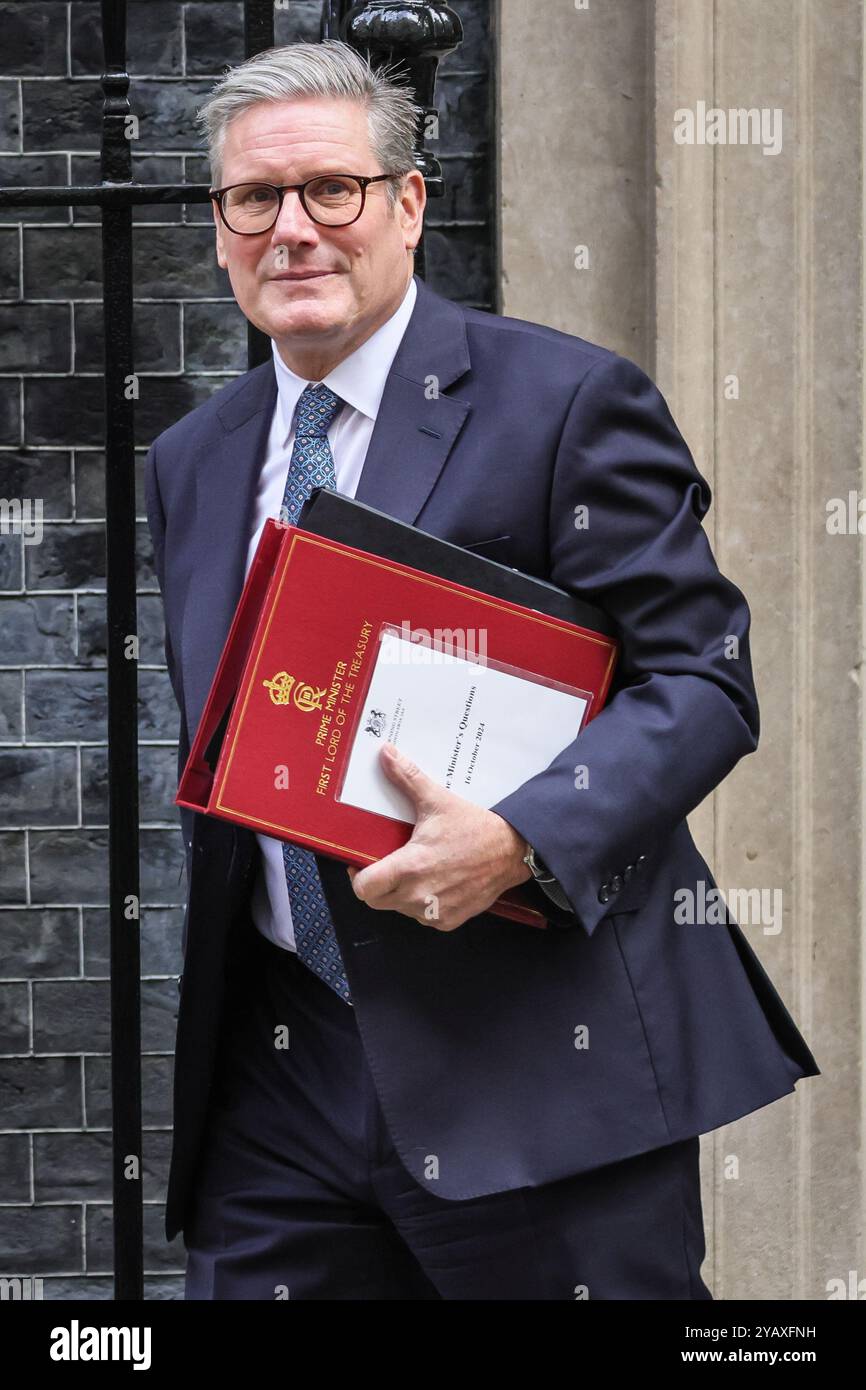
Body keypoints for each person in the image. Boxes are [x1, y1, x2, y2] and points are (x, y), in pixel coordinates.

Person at [144, 38, 819, 1300]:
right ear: (223, 225)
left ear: (408, 202)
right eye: (253, 199)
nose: (290, 229)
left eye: (330, 190)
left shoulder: (561, 400)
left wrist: (515, 834)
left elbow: (703, 680)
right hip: (280, 1079)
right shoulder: (194, 457)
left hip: (532, 1060)